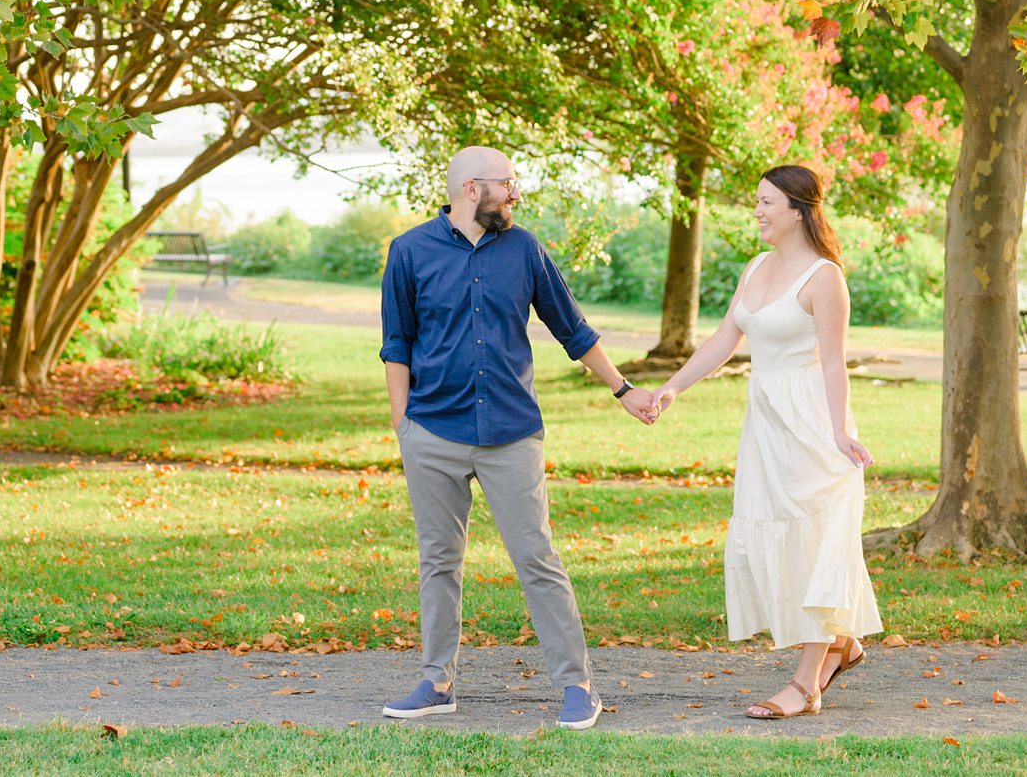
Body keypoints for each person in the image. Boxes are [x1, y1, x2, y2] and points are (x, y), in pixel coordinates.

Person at [377, 145, 658, 730]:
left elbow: (571, 328)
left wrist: (623, 389)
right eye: (508, 184)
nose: (516, 193)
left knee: (536, 557)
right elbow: (396, 343)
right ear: (472, 189)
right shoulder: (409, 251)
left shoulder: (525, 248)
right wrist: (403, 424)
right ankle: (435, 682)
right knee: (438, 561)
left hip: (511, 433)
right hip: (432, 432)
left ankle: (577, 684)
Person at [644, 163, 881, 719]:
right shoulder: (754, 267)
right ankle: (841, 644)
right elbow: (726, 338)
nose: (757, 211)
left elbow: (833, 363)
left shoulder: (825, 278)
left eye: (767, 202)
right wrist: (673, 388)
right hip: (766, 427)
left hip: (812, 425)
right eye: (757, 201)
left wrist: (841, 431)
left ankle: (806, 685)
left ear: (798, 210)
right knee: (774, 544)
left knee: (816, 543)